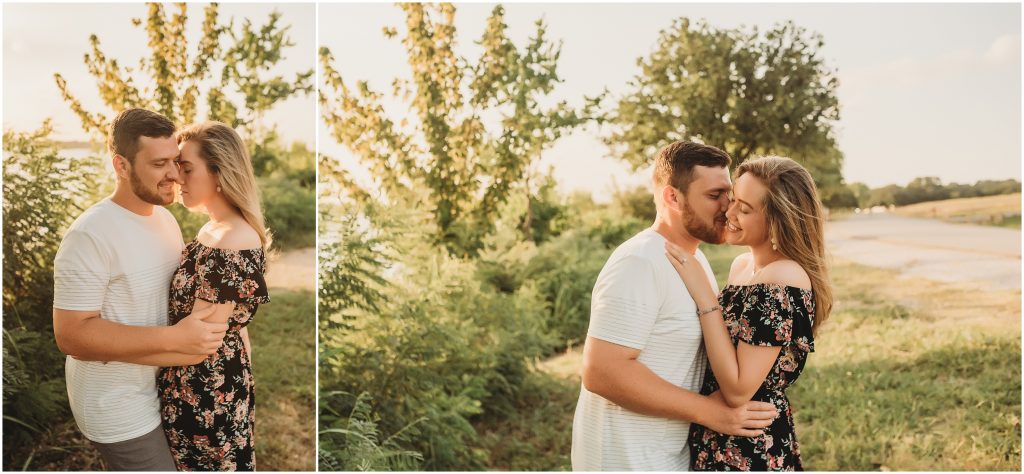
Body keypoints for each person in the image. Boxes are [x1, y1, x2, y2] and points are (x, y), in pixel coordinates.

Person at [571, 141, 778, 471]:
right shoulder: (640, 261)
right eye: (714, 196)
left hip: (666, 457)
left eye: (730, 194)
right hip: (626, 461)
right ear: (672, 197)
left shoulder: (696, 262)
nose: (728, 208)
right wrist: (710, 412)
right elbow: (601, 371)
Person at [53, 108, 227, 471]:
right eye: (159, 163)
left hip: (163, 388)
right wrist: (174, 340)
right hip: (116, 403)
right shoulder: (90, 234)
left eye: (177, 162)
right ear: (121, 165)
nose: (174, 174)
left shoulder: (164, 219)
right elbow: (72, 335)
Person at [664, 155, 833, 471]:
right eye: (732, 201)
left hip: (751, 444)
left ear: (778, 221)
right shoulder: (742, 266)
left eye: (744, 208)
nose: (728, 213)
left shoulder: (784, 277)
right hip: (715, 432)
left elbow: (739, 389)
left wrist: (705, 297)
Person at [155, 121, 271, 471]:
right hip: (194, 384)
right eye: (176, 167)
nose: (177, 178)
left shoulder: (234, 239)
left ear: (219, 171)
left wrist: (114, 350)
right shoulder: (212, 228)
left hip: (207, 393)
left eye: (186, 168)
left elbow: (200, 340)